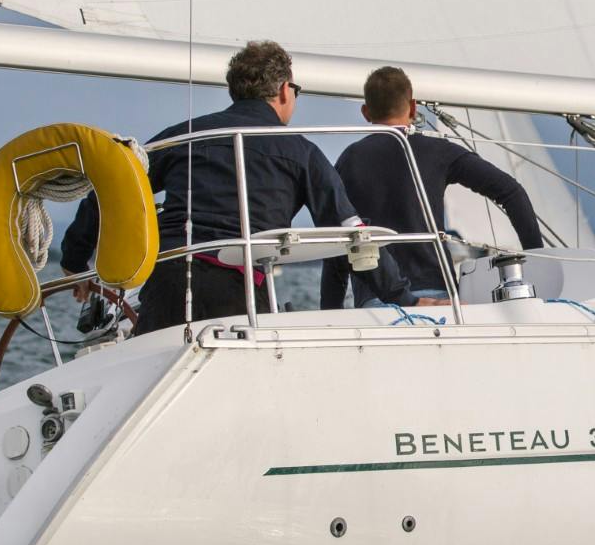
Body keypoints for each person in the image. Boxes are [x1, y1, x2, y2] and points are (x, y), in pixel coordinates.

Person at [61, 39, 405, 333]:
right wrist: (402, 296)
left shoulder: (188, 136)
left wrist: (75, 262)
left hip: (171, 281)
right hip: (239, 292)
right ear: (285, 90)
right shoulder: (303, 153)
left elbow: (116, 184)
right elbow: (354, 235)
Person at [319, 65, 544, 309]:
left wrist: (330, 311)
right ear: (413, 107)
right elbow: (511, 192)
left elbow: (338, 241)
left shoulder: (348, 160)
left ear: (365, 112)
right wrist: (539, 262)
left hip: (375, 301)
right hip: (438, 296)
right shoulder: (438, 152)